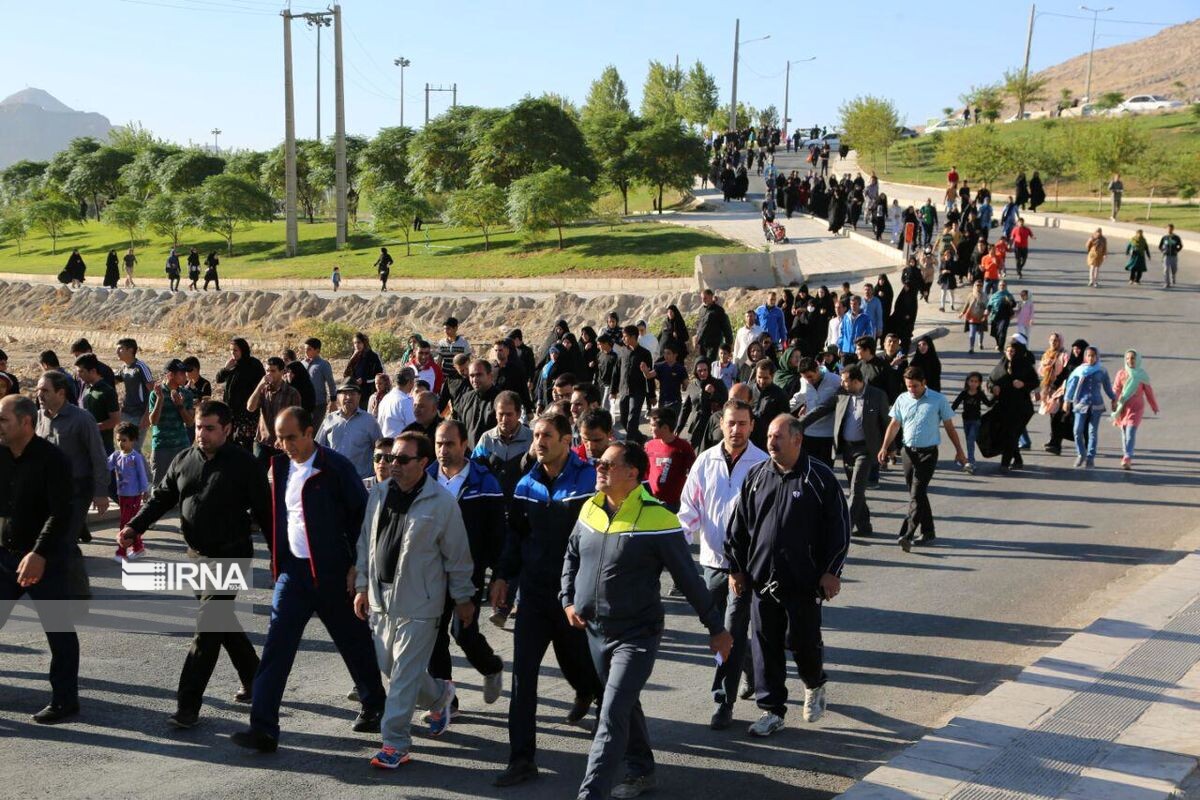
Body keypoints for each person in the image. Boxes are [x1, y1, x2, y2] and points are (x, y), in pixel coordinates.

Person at [562, 442, 732, 799]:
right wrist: (567, 600)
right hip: (595, 632)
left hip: (637, 634)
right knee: (623, 703)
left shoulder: (659, 519)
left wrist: (716, 628)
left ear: (633, 473)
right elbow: (572, 556)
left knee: (610, 715)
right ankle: (642, 771)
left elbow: (689, 578)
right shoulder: (589, 509)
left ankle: (589, 794)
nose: (600, 467)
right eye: (599, 462)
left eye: (609, 464)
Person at [230, 407, 387, 753]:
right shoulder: (280, 467)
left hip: (333, 573)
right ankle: (263, 728)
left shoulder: (335, 468)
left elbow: (365, 520)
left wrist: (356, 567)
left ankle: (375, 702)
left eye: (291, 437)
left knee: (353, 641)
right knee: (276, 649)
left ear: (310, 432)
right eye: (279, 437)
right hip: (293, 574)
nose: (285, 444)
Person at [119, 400, 272, 728]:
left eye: (210, 428)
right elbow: (162, 498)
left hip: (231, 555)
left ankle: (187, 706)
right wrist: (135, 526)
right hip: (197, 556)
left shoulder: (245, 465)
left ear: (227, 429)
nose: (202, 434)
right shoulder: (184, 460)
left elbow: (267, 515)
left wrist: (280, 560)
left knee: (207, 629)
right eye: (199, 427)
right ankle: (257, 680)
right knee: (221, 623)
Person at [489, 414, 603, 788]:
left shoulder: (589, 481)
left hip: (576, 599)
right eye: (535, 435)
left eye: (546, 436)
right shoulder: (525, 484)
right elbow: (516, 537)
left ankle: (616, 740)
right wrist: (503, 577)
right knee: (523, 679)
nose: (538, 442)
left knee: (583, 667)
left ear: (567, 440)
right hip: (535, 599)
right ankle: (521, 759)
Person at [726, 414, 850, 738]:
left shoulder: (819, 478)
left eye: (778, 436)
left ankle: (814, 682)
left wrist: (831, 572)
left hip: (804, 582)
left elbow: (840, 530)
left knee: (803, 641)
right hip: (763, 580)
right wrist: (736, 568)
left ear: (797, 439)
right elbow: (738, 528)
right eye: (768, 435)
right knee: (765, 645)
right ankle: (771, 710)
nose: (771, 441)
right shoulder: (755, 477)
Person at [352, 432, 471, 768]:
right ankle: (439, 695)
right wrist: (362, 586)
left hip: (421, 602)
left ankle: (395, 744)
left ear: (423, 464)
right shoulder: (379, 493)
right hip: (381, 598)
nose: (393, 465)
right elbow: (366, 543)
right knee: (390, 665)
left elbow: (458, 557)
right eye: (391, 459)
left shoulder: (442, 504)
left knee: (403, 675)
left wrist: (463, 598)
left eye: (403, 460)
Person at [678, 399, 767, 728]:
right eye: (731, 423)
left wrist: (745, 565)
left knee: (729, 630)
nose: (736, 430)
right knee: (719, 629)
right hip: (711, 563)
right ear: (721, 425)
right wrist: (673, 548)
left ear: (751, 426)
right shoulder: (705, 462)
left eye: (743, 424)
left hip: (744, 568)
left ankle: (722, 700)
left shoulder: (762, 464)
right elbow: (689, 510)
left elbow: (766, 521)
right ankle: (750, 668)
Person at [0, 394, 83, 724]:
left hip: (45, 560)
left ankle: (65, 701)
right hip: (5, 558)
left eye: (3, 420)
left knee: (59, 631)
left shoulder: (53, 460)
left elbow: (61, 513)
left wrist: (39, 553)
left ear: (25, 422)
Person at [425, 420, 505, 704]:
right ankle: (445, 701)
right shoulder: (424, 479)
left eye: (449, 444)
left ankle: (491, 667)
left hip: (467, 572)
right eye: (438, 444)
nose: (443, 450)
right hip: (430, 572)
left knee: (463, 632)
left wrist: (499, 575)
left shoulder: (484, 482)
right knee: (433, 636)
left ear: (464, 445)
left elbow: (497, 534)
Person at [878, 367, 968, 552]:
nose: (912, 390)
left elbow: (950, 427)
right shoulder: (902, 399)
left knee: (916, 494)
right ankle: (928, 531)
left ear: (924, 383)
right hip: (908, 453)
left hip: (928, 453)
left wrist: (959, 451)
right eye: (909, 386)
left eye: (915, 386)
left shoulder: (938, 400)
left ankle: (907, 535)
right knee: (917, 493)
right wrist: (884, 447)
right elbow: (894, 424)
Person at [801, 364, 890, 536]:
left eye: (845, 381)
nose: (842, 384)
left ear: (857, 381)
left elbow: (887, 423)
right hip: (848, 449)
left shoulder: (877, 396)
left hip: (866, 449)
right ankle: (864, 526)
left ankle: (843, 530)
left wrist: (889, 449)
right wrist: (798, 423)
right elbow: (822, 410)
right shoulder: (842, 394)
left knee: (856, 490)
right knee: (855, 488)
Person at [36, 371, 109, 551]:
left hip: (77, 488)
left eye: (45, 390)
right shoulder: (38, 417)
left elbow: (98, 455)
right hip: (48, 490)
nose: (39, 394)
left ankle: (71, 574)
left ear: (61, 393)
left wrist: (101, 492)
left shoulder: (82, 419)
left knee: (65, 539)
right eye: (38, 390)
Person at [987, 341, 1039, 473]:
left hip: (1021, 408)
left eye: (1013, 351)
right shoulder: (1001, 365)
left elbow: (1035, 382)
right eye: (1008, 351)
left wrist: (1023, 384)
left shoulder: (1025, 366)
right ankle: (1018, 460)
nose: (1010, 353)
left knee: (1011, 434)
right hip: (1004, 407)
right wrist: (993, 388)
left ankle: (1005, 463)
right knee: (1008, 434)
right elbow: (990, 381)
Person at [317, 384, 384, 479]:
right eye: (345, 393)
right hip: (334, 480)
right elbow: (318, 449)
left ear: (359, 397)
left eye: (352, 394)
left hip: (361, 482)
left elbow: (380, 449)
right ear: (338, 397)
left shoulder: (369, 421)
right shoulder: (329, 419)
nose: (348, 397)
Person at [1063, 346, 1115, 469]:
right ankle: (1081, 454)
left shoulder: (1102, 371)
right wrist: (1067, 400)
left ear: (1097, 357)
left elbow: (1107, 387)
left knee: (1092, 432)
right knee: (1077, 430)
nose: (1091, 358)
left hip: (1096, 405)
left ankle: (1090, 458)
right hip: (1081, 404)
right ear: (1085, 357)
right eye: (1089, 356)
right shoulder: (1079, 370)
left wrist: (1113, 398)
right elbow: (1072, 385)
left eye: (1093, 356)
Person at [146, 359, 195, 485]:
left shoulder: (187, 394)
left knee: (183, 484)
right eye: (182, 373)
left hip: (181, 445)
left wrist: (180, 405)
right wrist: (160, 399)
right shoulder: (156, 394)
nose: (185, 376)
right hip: (162, 446)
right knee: (159, 485)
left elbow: (190, 422)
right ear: (170, 375)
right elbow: (153, 421)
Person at [246, 357, 301, 467]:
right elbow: (250, 407)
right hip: (263, 440)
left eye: (273, 371)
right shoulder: (263, 390)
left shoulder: (291, 393)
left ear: (282, 372)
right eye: (267, 371)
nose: (269, 374)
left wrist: (284, 438)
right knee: (258, 476)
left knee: (281, 478)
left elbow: (296, 420)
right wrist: (259, 386)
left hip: (283, 443)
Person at [108, 421, 150, 558]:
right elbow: (105, 466)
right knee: (130, 524)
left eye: (124, 440)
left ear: (132, 440)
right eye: (118, 440)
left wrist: (145, 490)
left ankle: (121, 552)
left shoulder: (135, 457)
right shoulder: (116, 455)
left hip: (134, 495)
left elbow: (142, 475)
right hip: (122, 494)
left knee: (125, 524)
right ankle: (138, 548)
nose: (120, 443)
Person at [1112, 350, 1159, 470]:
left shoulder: (1142, 375)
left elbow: (1149, 393)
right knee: (1124, 432)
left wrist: (1154, 406)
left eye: (1132, 358)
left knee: (1130, 432)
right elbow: (1116, 389)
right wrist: (1115, 401)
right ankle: (1126, 454)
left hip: (1136, 408)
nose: (1130, 361)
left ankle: (1127, 457)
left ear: (1137, 359)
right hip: (1123, 407)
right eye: (1127, 358)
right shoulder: (1121, 373)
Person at [215, 338, 265, 449]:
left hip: (247, 413)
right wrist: (226, 368)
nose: (233, 353)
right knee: (229, 443)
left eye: (235, 350)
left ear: (243, 350)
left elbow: (261, 385)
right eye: (231, 350)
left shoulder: (253, 364)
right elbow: (218, 379)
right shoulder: (233, 364)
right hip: (231, 412)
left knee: (245, 445)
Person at [643, 406, 695, 513]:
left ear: (665, 428)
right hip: (651, 498)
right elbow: (645, 470)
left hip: (673, 503)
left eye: (653, 425)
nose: (650, 429)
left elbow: (694, 473)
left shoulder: (683, 447)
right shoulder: (649, 445)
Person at [789, 358, 839, 467]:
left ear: (817, 369)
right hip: (809, 432)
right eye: (805, 377)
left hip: (828, 434)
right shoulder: (804, 381)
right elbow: (800, 397)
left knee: (826, 469)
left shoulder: (835, 380)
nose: (808, 380)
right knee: (808, 468)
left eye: (810, 377)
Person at [611, 326, 653, 444]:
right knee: (624, 420)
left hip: (638, 391)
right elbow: (616, 371)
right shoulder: (622, 352)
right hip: (624, 390)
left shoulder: (645, 353)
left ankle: (630, 446)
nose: (623, 339)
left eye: (625, 336)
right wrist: (613, 391)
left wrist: (652, 395)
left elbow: (649, 376)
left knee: (633, 418)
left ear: (633, 337)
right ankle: (640, 438)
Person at [454, 359, 501, 447]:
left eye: (479, 375)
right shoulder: (465, 398)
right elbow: (460, 427)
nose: (474, 379)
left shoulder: (500, 400)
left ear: (490, 376)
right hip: (469, 455)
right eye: (471, 376)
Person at [952, 372, 993, 474]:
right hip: (966, 420)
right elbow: (955, 405)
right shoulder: (964, 393)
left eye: (976, 382)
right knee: (969, 441)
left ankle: (971, 463)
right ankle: (969, 461)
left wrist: (996, 397)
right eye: (971, 381)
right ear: (967, 382)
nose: (973, 384)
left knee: (971, 439)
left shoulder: (980, 394)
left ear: (979, 383)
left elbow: (988, 403)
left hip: (976, 421)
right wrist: (945, 414)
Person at [116, 338, 155, 430]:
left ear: (130, 350)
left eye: (120, 349)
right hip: (125, 413)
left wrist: (146, 416)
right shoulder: (123, 368)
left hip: (139, 415)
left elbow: (153, 392)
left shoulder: (141, 367)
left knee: (135, 444)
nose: (117, 351)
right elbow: (111, 381)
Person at [750, 359, 789, 451]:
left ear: (772, 376)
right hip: (749, 440)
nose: (762, 381)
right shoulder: (749, 390)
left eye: (765, 378)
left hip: (767, 441)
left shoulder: (780, 395)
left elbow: (784, 421)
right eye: (759, 377)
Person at [302, 338, 338, 431]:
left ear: (317, 350)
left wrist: (333, 401)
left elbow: (331, 383)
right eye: (305, 349)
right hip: (303, 404)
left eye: (309, 349)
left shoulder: (323, 364)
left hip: (318, 404)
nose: (306, 351)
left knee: (315, 431)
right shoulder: (302, 364)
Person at [344, 332, 384, 410]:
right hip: (355, 390)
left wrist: (364, 380)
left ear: (364, 343)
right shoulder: (354, 356)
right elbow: (347, 373)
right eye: (355, 343)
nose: (356, 345)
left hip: (369, 391)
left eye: (359, 342)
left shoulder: (372, 356)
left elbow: (379, 374)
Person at [694, 289, 733, 363]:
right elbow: (699, 325)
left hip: (714, 344)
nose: (703, 300)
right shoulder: (702, 310)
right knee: (703, 363)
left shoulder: (718, 310)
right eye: (702, 298)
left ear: (711, 296)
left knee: (711, 364)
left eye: (705, 298)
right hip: (702, 343)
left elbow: (726, 327)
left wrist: (729, 342)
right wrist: (697, 337)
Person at [376, 367, 416, 437]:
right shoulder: (405, 401)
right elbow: (413, 429)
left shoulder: (385, 398)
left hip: (385, 443)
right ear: (410, 382)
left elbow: (380, 426)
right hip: (399, 444)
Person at [1158, 223, 1183, 289]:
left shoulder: (1176, 237)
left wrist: (1177, 250)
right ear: (1166, 229)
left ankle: (1173, 276)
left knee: (1174, 269)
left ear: (1173, 229)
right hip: (1166, 256)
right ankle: (1167, 283)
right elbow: (1160, 246)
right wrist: (1163, 250)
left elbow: (1180, 245)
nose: (1169, 230)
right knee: (1166, 269)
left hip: (1174, 256)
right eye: (1168, 228)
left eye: (1171, 229)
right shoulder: (1164, 238)